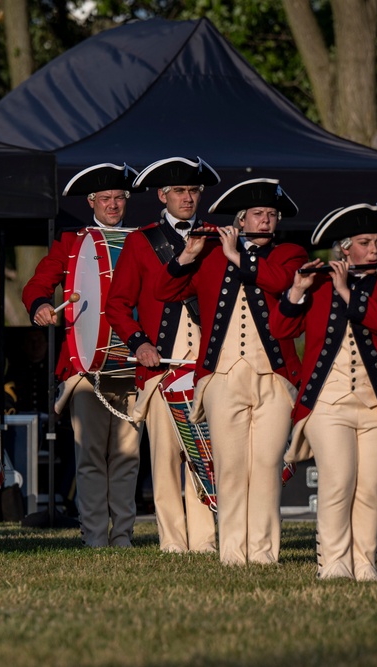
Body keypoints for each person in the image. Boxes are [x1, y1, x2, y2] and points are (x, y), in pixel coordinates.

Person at [153, 179, 305, 565]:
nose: (267, 221)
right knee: (230, 467)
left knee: (267, 466)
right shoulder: (210, 255)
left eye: (272, 215)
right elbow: (163, 292)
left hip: (273, 376)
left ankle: (264, 553)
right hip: (220, 376)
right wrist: (187, 255)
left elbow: (282, 283)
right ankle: (233, 552)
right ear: (240, 219)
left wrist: (238, 256)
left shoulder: (289, 253)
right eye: (259, 214)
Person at [271, 203, 377, 581]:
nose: (375, 250)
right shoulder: (315, 285)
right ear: (345, 247)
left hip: (376, 406)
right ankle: (332, 563)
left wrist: (347, 293)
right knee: (338, 481)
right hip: (327, 403)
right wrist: (298, 289)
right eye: (366, 242)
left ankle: (365, 563)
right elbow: (282, 330)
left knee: (370, 488)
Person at [22, 163, 142, 547]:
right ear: (91, 201)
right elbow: (39, 283)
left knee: (127, 455)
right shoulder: (72, 241)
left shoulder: (142, 240)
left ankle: (122, 536)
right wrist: (41, 304)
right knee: (90, 455)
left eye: (119, 198)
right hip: (87, 366)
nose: (112, 204)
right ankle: (94, 536)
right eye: (105, 198)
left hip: (133, 363)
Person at [107, 156, 219, 554]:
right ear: (162, 195)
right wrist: (139, 343)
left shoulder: (218, 240)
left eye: (193, 191)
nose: (188, 198)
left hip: (206, 366)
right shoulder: (141, 241)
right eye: (179, 192)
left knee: (203, 455)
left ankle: (205, 540)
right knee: (166, 459)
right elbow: (118, 305)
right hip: (160, 368)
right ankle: (173, 541)